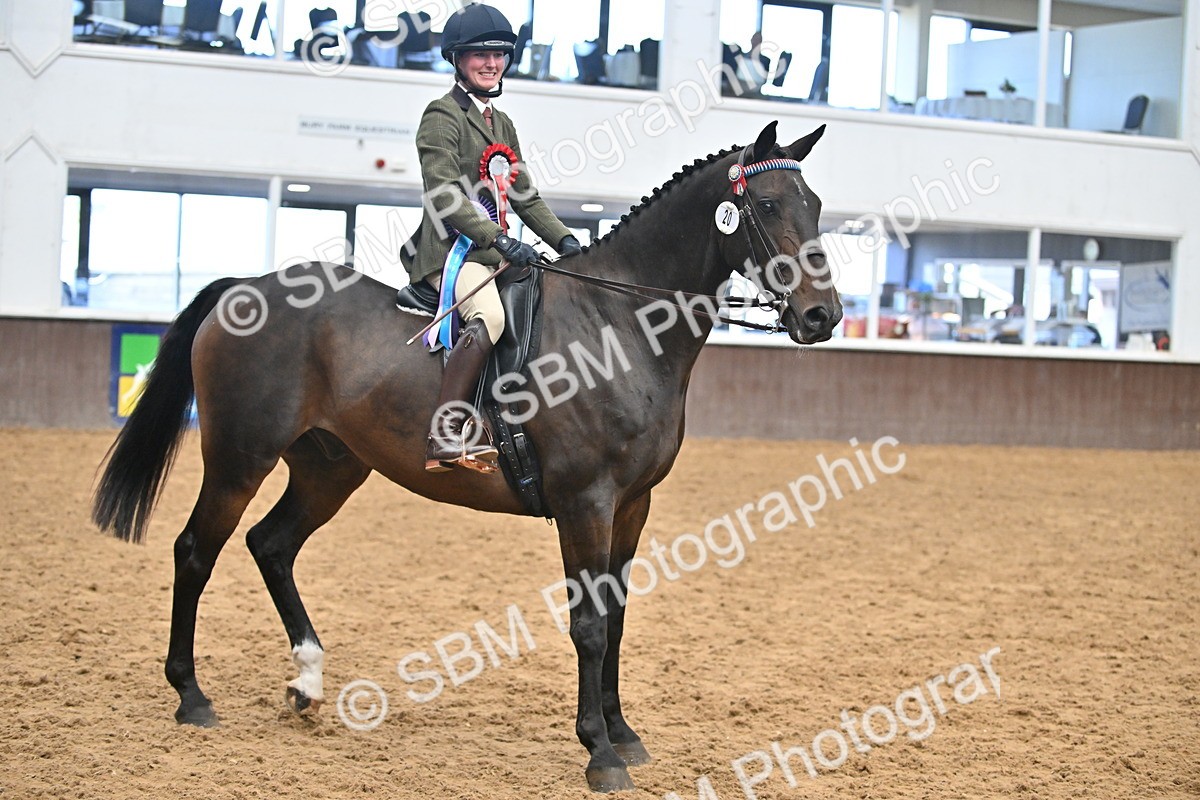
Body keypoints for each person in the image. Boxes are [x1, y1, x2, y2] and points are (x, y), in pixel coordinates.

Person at [400, 3, 581, 474]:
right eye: (479, 54)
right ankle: (444, 430)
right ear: (457, 60)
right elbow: (444, 195)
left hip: (491, 254)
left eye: (499, 54)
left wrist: (565, 241)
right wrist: (500, 241)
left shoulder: (503, 125)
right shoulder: (442, 115)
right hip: (450, 255)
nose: (491, 63)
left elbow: (525, 196)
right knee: (492, 317)